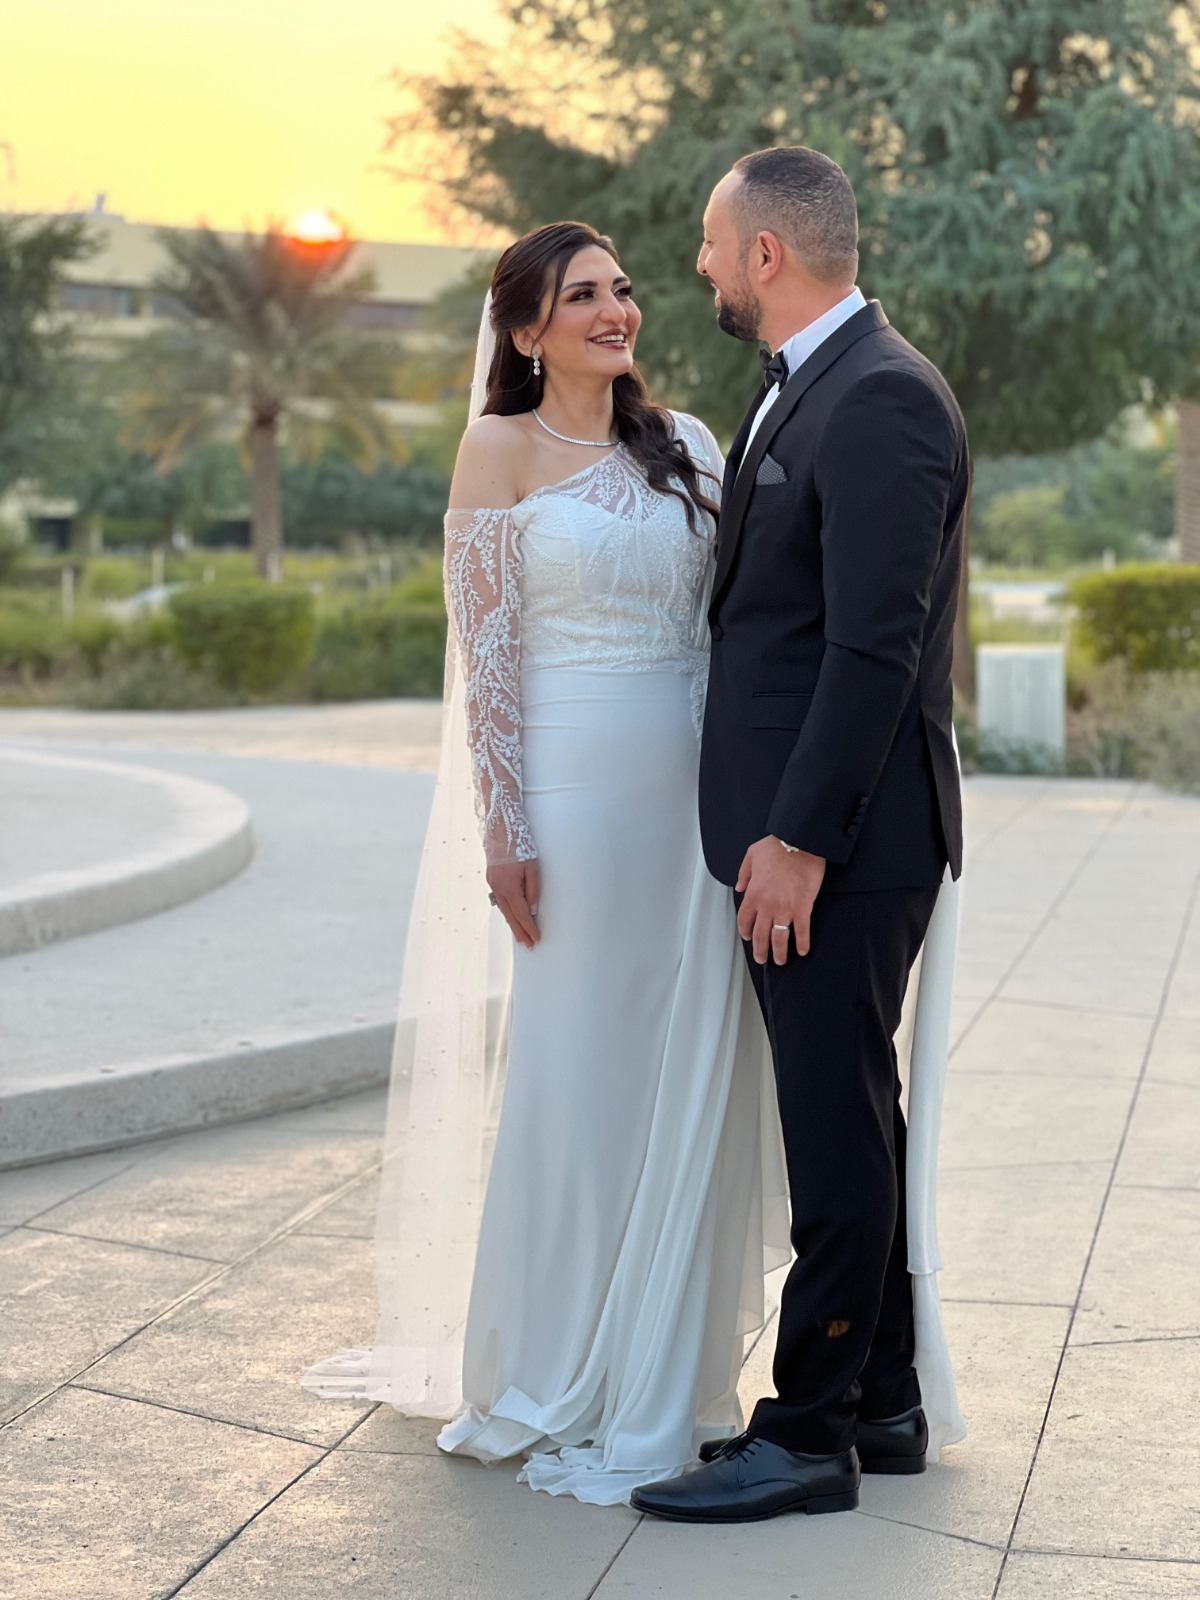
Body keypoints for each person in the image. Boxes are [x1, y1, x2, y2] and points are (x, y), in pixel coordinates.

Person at [304, 219, 793, 1506]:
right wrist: (504, 828)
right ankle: (553, 1359)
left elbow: (741, 621)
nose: (615, 310)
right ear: (527, 330)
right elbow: (488, 657)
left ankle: (665, 1366)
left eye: (623, 289)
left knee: (688, 1072)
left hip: (695, 800)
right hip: (574, 802)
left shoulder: (691, 445)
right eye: (583, 296)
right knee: (577, 1076)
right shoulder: (498, 450)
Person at [630, 147, 968, 1524]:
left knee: (832, 1138)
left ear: (765, 253)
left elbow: (873, 646)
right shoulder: (810, 382)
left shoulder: (879, 394)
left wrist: (800, 840)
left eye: (715, 244)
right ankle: (882, 1399)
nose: (702, 266)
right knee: (853, 1115)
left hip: (842, 845)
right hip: (813, 837)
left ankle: (809, 1432)